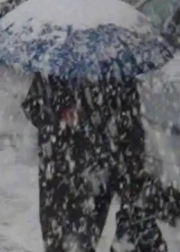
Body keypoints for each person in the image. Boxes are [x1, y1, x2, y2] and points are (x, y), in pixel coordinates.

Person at [22, 74, 168, 252]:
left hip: (98, 176)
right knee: (62, 243)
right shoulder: (57, 71)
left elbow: (132, 128)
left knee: (83, 241)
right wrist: (60, 113)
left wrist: (131, 175)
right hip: (62, 175)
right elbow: (33, 106)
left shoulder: (117, 74)